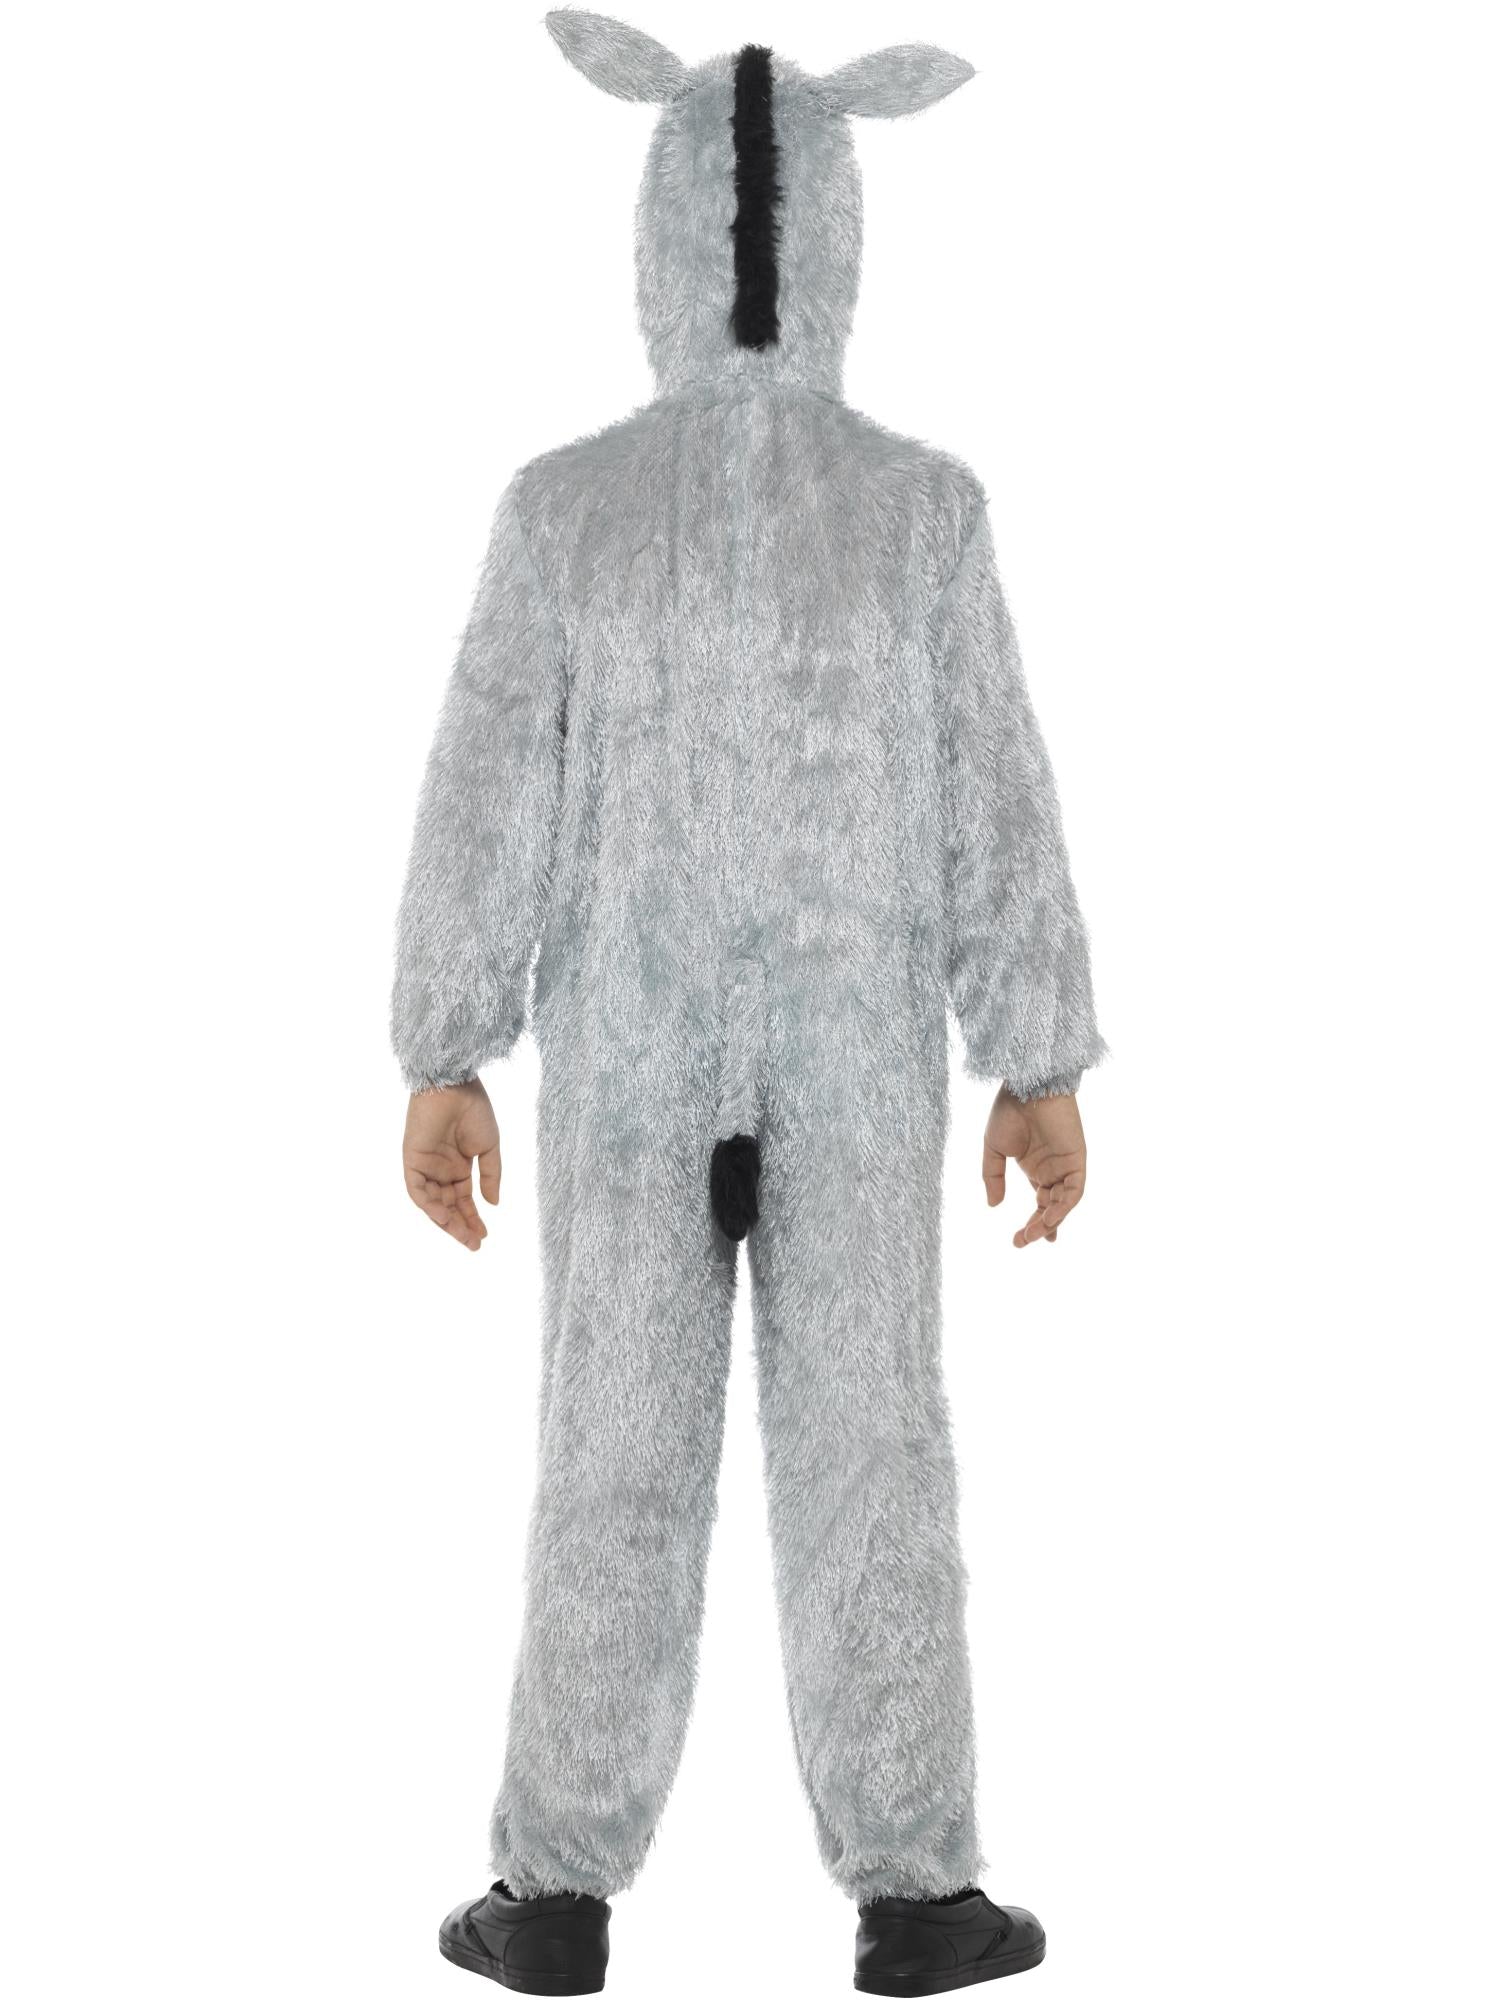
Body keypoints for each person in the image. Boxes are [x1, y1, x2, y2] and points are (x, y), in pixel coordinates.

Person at [393, 15, 1103, 1993]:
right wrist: (1036, 1055)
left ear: (657, 238)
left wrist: (448, 1045)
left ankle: (554, 1894)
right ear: (845, 234)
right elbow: (994, 794)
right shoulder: (921, 510)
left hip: (628, 1057)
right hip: (853, 1059)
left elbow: (487, 786)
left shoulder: (567, 509)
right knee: (875, 1448)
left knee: (607, 1447)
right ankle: (918, 1890)